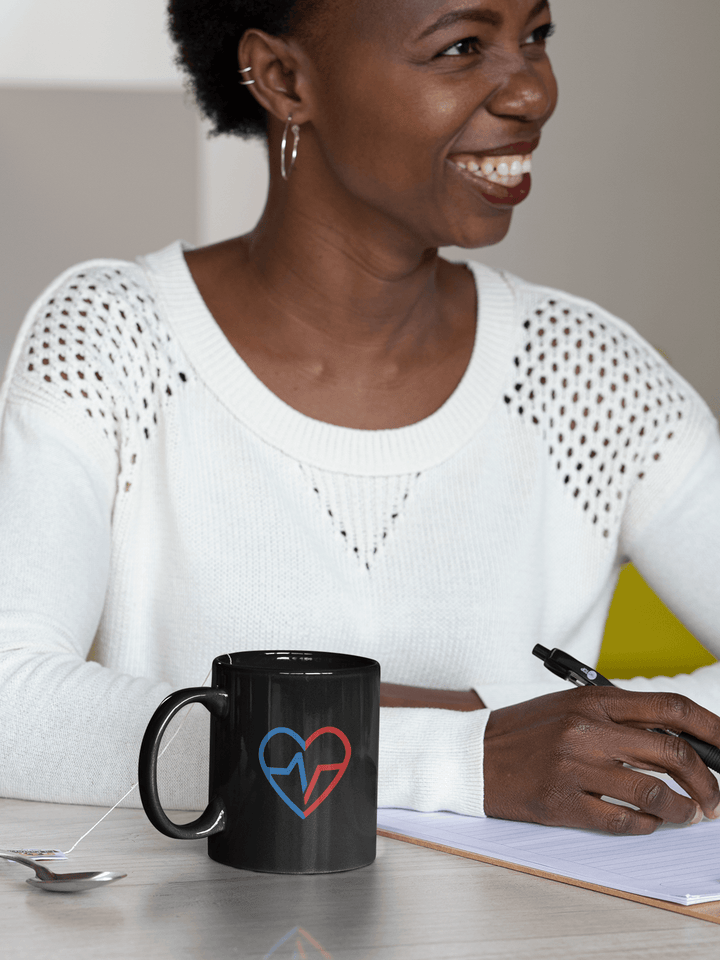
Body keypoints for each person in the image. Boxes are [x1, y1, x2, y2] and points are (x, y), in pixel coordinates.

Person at [1, 0, 720, 836]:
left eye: (536, 37)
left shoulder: (591, 375)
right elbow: (13, 705)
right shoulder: (113, 339)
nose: (530, 92)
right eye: (461, 47)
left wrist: (537, 727)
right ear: (284, 79)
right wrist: (466, 751)